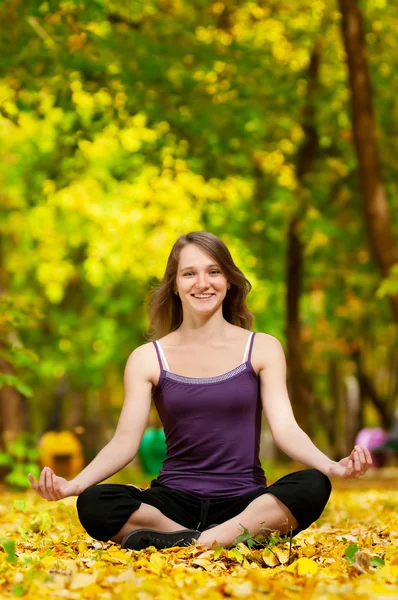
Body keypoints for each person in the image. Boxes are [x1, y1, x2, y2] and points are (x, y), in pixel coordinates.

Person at [28, 231, 372, 551]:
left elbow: (286, 429)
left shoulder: (263, 348)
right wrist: (75, 485)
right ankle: (218, 539)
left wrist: (332, 467)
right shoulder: (147, 358)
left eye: (214, 272)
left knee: (313, 485)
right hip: (173, 502)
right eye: (189, 274)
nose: (202, 283)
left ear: (228, 282)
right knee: (95, 503)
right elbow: (124, 443)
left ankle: (199, 539)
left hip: (244, 500)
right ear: (175, 285)